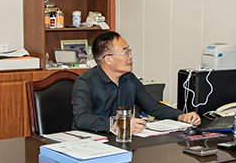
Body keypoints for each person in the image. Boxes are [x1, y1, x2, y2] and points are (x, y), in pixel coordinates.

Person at [72, 31, 201, 135]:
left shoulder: (129, 79)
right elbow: (82, 119)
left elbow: (152, 106)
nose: (130, 56)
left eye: (129, 51)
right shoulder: (85, 82)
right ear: (108, 60)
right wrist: (117, 124)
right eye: (125, 52)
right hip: (91, 142)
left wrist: (181, 116)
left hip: (123, 140)